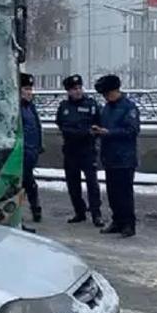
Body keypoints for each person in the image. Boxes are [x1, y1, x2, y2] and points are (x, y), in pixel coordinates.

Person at [92, 74, 139, 238]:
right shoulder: (107, 108)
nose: (105, 97)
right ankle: (117, 221)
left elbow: (132, 131)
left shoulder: (128, 107)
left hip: (125, 159)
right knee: (112, 193)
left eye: (107, 94)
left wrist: (109, 132)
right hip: (110, 158)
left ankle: (128, 224)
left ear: (115, 91)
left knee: (124, 193)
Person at [55, 74, 104, 228]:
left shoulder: (92, 105)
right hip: (71, 151)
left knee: (92, 184)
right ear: (68, 91)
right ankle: (79, 212)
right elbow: (63, 128)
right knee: (73, 184)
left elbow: (98, 125)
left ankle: (96, 214)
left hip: (88, 150)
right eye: (73, 89)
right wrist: (84, 132)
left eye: (79, 88)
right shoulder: (64, 107)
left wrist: (90, 133)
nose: (77, 91)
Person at [18, 72, 43, 226]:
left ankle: (35, 208)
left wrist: (39, 146)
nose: (29, 92)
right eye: (26, 89)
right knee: (25, 183)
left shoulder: (30, 107)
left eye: (30, 89)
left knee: (29, 183)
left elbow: (37, 128)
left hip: (31, 152)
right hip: (21, 153)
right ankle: (32, 209)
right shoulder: (16, 107)